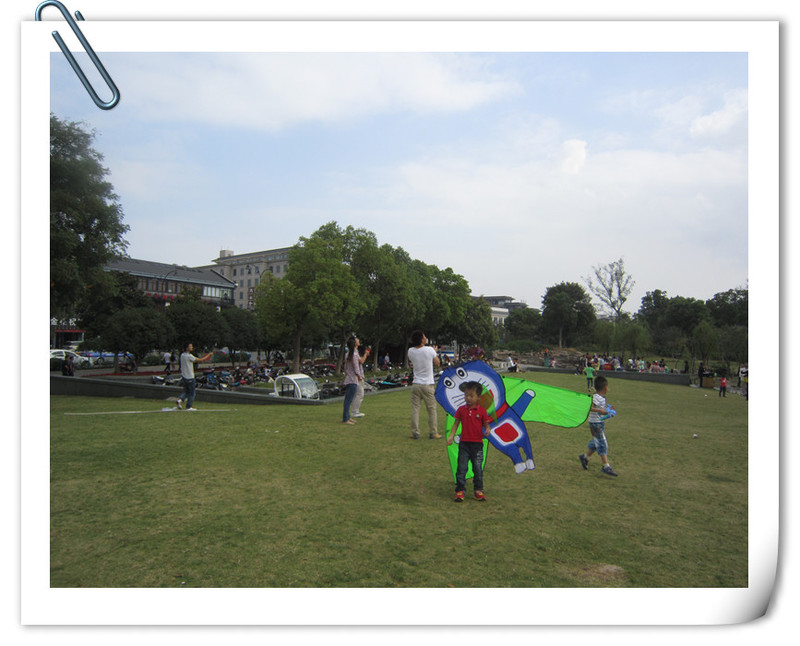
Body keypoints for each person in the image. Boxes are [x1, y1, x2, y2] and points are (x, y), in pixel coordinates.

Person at [447, 381, 491, 502]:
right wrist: (451, 436)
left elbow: (486, 424)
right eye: (466, 395)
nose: (468, 398)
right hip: (464, 444)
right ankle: (460, 490)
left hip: (477, 445)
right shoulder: (461, 410)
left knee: (477, 468)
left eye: (471, 395)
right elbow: (456, 424)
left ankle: (478, 490)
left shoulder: (482, 411)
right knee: (461, 467)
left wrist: (487, 430)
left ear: (478, 397)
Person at [578, 375, 618, 477]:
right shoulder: (597, 398)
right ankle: (606, 466)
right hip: (596, 424)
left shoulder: (600, 398)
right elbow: (590, 407)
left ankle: (585, 457)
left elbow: (602, 407)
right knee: (602, 443)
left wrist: (609, 409)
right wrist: (601, 411)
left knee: (596, 441)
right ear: (605, 388)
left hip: (597, 423)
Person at [407, 329, 441, 440]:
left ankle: (415, 432)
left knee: (415, 409)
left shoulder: (410, 351)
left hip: (416, 384)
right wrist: (435, 352)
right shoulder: (429, 350)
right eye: (424, 336)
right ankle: (433, 432)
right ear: (422, 339)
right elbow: (437, 364)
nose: (426, 338)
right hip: (427, 384)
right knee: (431, 409)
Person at [176, 342, 212, 411]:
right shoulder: (189, 356)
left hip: (184, 376)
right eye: (190, 346)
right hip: (190, 377)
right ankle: (189, 406)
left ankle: (180, 400)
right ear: (187, 348)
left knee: (186, 391)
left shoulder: (182, 355)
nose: (192, 347)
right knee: (192, 393)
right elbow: (200, 360)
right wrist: (209, 355)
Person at [342, 336, 363, 425]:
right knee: (348, 400)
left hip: (349, 379)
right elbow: (356, 367)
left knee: (348, 400)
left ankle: (347, 417)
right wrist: (359, 376)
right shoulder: (354, 354)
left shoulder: (348, 354)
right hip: (353, 380)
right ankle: (346, 419)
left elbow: (346, 368)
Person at [351, 342, 371, 418]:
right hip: (357, 376)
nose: (358, 341)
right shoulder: (354, 353)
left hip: (356, 376)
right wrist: (365, 354)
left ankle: (355, 410)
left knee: (357, 394)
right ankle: (355, 411)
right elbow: (360, 362)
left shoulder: (354, 352)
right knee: (360, 393)